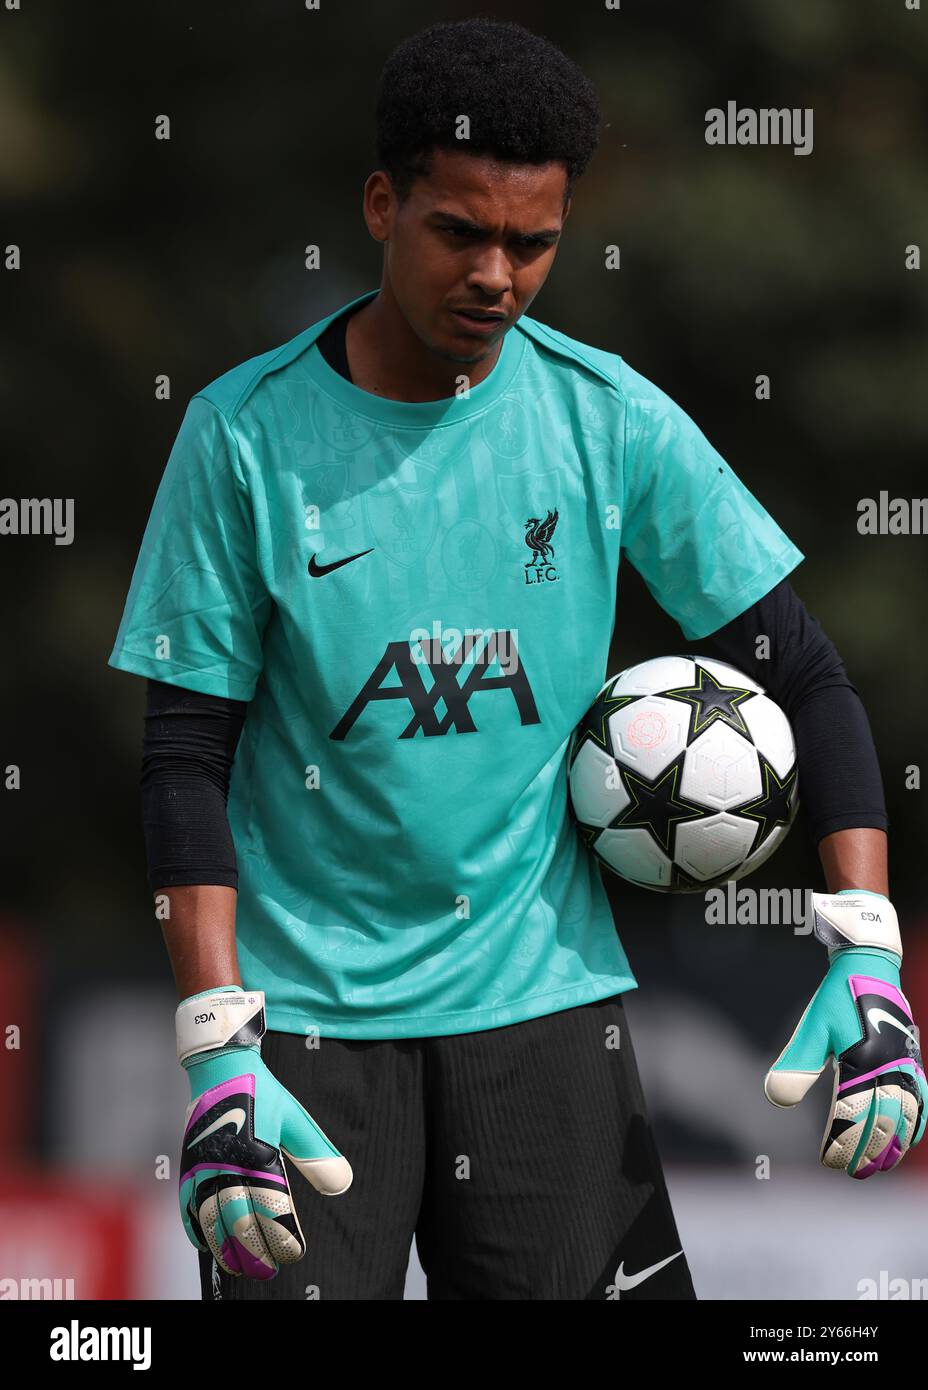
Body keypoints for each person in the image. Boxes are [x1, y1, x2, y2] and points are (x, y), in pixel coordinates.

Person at [109, 18, 925, 1301]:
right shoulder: (242, 438)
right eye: (459, 233)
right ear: (383, 206)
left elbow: (808, 678)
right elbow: (182, 760)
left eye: (531, 243)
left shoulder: (607, 418)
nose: (496, 274)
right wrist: (215, 1045)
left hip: (542, 1019)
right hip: (307, 1037)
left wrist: (868, 953)